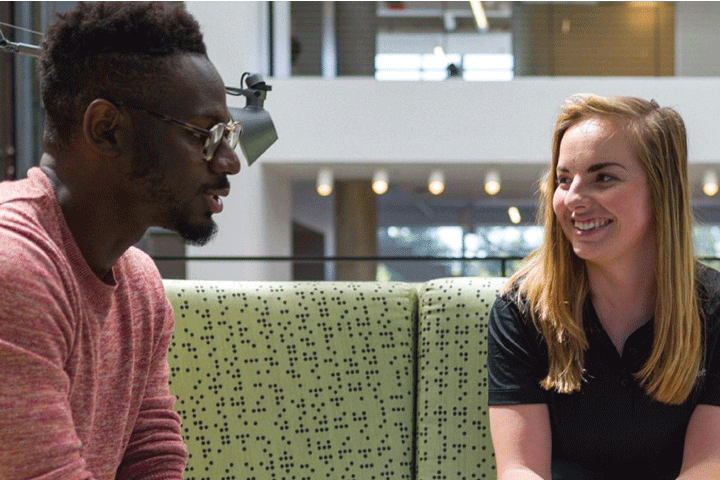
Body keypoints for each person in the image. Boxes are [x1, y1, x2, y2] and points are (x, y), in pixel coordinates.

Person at [0, 2, 241, 479]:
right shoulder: (15, 269)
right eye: (206, 136)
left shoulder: (139, 285)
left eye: (228, 135)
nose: (230, 163)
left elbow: (152, 457)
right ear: (106, 130)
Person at [487, 93, 720, 479]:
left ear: (661, 189)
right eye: (563, 180)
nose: (573, 198)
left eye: (603, 177)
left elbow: (708, 467)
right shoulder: (521, 309)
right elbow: (520, 469)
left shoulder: (713, 310)